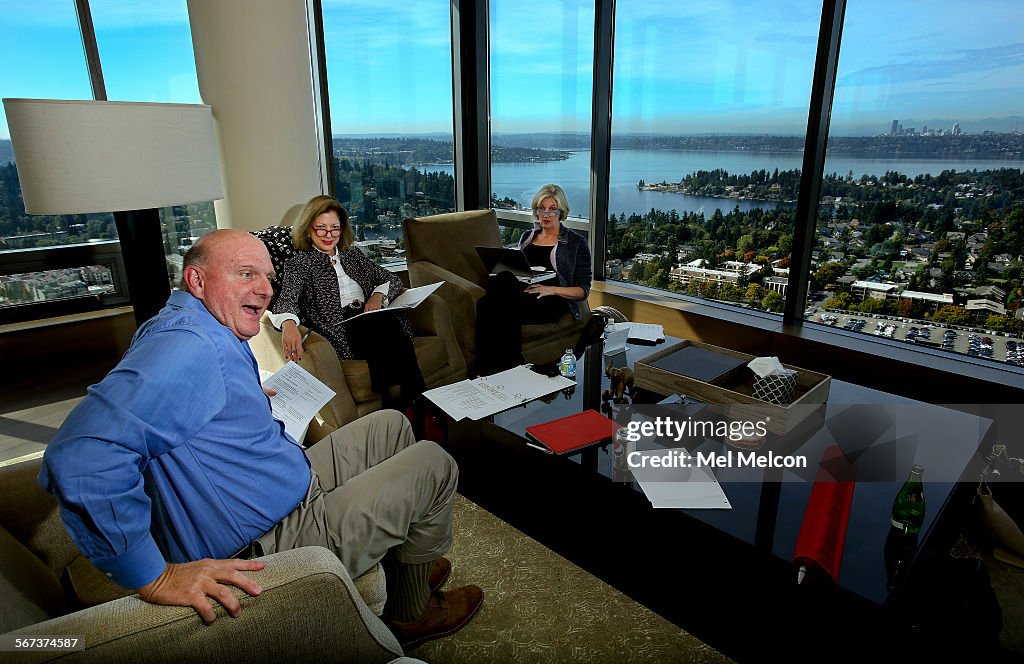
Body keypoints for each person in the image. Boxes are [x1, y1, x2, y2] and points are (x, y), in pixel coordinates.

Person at [39, 229, 482, 649]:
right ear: (197, 278)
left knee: (391, 425)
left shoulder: (183, 322)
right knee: (434, 463)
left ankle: (405, 563)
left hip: (281, 481)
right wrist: (152, 575)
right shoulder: (192, 348)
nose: (266, 289)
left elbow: (174, 408)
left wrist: (242, 396)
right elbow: (81, 459)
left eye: (268, 276)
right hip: (266, 536)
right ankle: (409, 614)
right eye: (246, 273)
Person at [270, 195, 424, 411]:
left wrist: (377, 296)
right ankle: (414, 402)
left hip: (369, 315)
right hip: (341, 325)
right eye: (320, 228)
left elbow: (389, 278)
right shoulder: (300, 264)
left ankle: (402, 404)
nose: (328, 235)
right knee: (390, 331)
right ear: (308, 229)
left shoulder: (351, 254)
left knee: (388, 328)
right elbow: (286, 299)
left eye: (335, 228)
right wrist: (288, 324)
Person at [475, 183, 592, 374]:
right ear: (536, 211)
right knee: (493, 292)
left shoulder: (575, 242)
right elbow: (521, 271)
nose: (546, 214)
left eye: (552, 209)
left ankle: (494, 368)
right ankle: (502, 365)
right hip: (525, 292)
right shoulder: (527, 237)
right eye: (541, 209)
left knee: (494, 305)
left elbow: (583, 290)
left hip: (553, 300)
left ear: (561, 212)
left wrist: (551, 289)